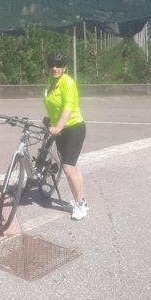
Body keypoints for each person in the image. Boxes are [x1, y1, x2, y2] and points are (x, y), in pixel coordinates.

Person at [43, 51, 88, 220]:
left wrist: (57, 127)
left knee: (68, 167)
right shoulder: (51, 82)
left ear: (64, 67)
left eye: (59, 65)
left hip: (74, 128)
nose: (55, 68)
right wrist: (51, 120)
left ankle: (80, 206)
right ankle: (82, 200)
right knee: (72, 166)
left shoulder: (67, 82)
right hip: (60, 129)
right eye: (52, 65)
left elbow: (68, 107)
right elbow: (54, 104)